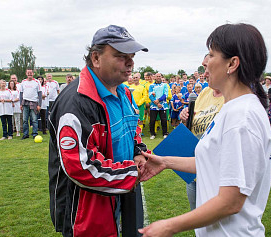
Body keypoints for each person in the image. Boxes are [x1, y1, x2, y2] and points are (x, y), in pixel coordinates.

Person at [139, 23, 271, 237]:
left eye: (210, 54)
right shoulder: (233, 109)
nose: (204, 62)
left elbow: (230, 202)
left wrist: (169, 226)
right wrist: (165, 162)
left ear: (232, 64)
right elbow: (213, 163)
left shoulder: (241, 117)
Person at [48, 24, 149, 237]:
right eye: (121, 56)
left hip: (122, 192)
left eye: (131, 56)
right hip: (87, 209)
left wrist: (138, 151)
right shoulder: (76, 102)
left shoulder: (124, 92)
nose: (130, 62)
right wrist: (132, 173)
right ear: (95, 58)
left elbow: (134, 129)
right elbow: (80, 167)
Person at [180, 54, 224, 211]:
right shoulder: (205, 93)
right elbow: (194, 122)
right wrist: (185, 115)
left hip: (214, 174)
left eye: (207, 67)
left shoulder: (232, 98)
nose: (204, 73)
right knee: (197, 218)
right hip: (194, 170)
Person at [20, 69, 42, 139]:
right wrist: (21, 104)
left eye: (31, 73)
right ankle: (25, 134)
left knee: (34, 119)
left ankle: (35, 133)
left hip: (34, 102)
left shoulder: (36, 82)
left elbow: (40, 93)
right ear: (26, 73)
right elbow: (21, 93)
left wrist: (39, 105)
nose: (29, 74)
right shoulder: (23, 82)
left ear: (33, 73)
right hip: (25, 102)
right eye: (28, 73)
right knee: (25, 120)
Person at [148, 72, 169, 139]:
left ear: (161, 77)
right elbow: (150, 95)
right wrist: (157, 103)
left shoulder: (165, 85)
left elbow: (166, 94)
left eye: (159, 76)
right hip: (153, 106)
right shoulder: (151, 86)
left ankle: (165, 133)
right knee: (152, 120)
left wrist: (159, 100)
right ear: (155, 77)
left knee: (164, 120)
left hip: (163, 106)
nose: (158, 77)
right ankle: (152, 134)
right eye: (157, 76)